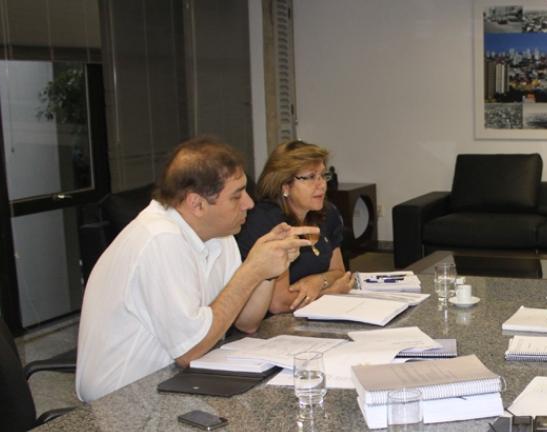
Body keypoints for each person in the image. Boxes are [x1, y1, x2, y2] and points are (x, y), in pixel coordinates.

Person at [76, 137, 315, 402]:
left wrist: (267, 269)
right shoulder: (160, 239)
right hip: (122, 400)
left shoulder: (219, 235)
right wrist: (251, 270)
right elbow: (189, 350)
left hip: (174, 382)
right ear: (197, 204)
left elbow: (248, 322)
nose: (249, 203)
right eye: (237, 196)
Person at [236, 141, 353, 313]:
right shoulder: (268, 222)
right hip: (267, 327)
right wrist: (331, 293)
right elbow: (279, 303)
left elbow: (339, 272)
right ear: (285, 186)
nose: (321, 184)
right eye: (310, 177)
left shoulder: (327, 213)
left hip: (311, 314)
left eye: (322, 175)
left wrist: (318, 281)